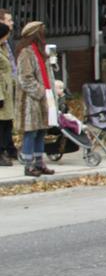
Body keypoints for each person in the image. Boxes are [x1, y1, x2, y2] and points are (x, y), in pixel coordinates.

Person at [14, 21, 56, 177]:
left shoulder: (40, 51)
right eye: (41, 31)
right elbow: (25, 78)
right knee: (30, 132)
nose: (44, 34)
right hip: (31, 99)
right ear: (35, 34)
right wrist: (40, 92)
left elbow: (46, 73)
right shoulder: (26, 52)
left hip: (45, 95)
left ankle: (39, 163)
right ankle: (28, 164)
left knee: (41, 130)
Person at [0, 9, 18, 162]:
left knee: (8, 121)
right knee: (3, 121)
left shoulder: (8, 42)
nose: (12, 23)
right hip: (2, 90)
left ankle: (9, 148)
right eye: (9, 20)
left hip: (10, 86)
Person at [0, 23, 14, 166]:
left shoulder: (4, 48)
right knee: (2, 125)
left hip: (7, 90)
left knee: (7, 124)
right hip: (1, 94)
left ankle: (7, 150)